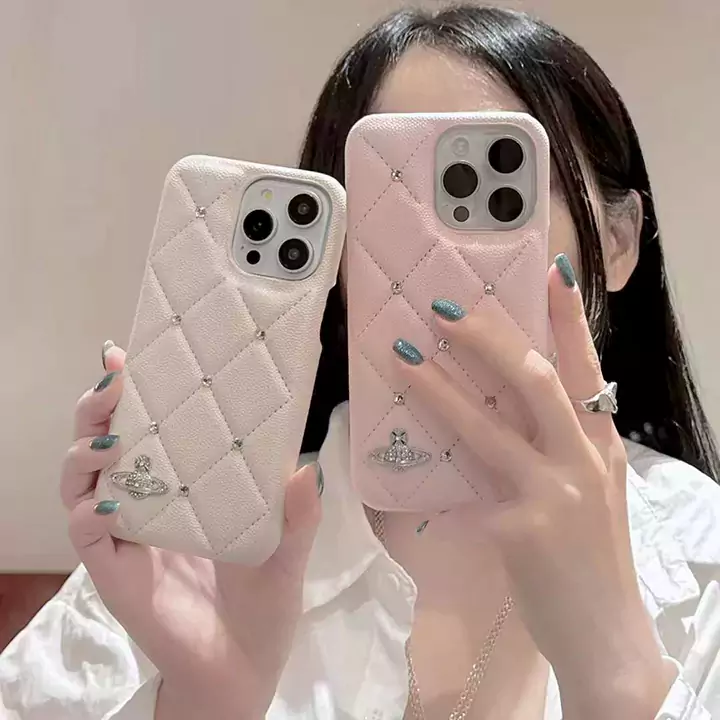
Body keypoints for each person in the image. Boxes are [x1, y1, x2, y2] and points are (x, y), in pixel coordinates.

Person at [2, 5, 719, 720]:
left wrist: (619, 677)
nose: (440, 261)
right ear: (338, 257)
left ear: (618, 241)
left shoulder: (703, 559)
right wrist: (204, 701)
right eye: (392, 200)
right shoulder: (197, 556)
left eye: (496, 189)